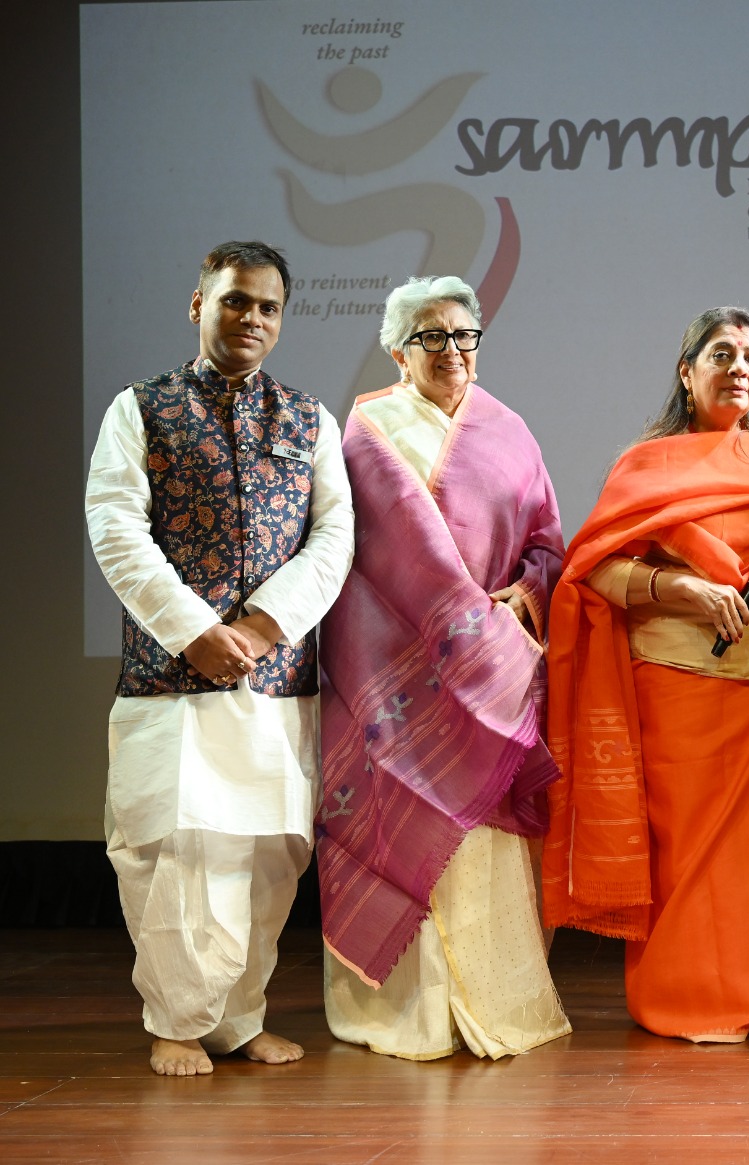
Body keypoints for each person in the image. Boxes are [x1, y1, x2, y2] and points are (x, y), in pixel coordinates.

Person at [85, 240, 355, 1076]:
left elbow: (335, 536)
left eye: (268, 306)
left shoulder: (309, 418)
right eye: (236, 299)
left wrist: (266, 627)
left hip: (276, 684)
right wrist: (195, 631)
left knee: (265, 858)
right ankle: (175, 1020)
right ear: (199, 304)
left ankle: (238, 1018)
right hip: (171, 679)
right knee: (172, 851)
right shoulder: (142, 408)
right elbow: (115, 526)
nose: (252, 318)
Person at [540, 307, 749, 1042]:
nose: (739, 367)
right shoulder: (646, 463)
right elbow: (594, 569)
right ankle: (677, 996)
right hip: (675, 679)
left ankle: (741, 992)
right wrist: (682, 590)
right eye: (721, 353)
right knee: (682, 846)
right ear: (687, 371)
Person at [317, 276, 570, 1059]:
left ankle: (495, 1000)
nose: (452, 350)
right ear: (399, 351)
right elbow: (386, 557)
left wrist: (523, 598)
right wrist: (470, 628)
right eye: (431, 337)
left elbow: (547, 544)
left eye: (464, 335)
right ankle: (410, 1014)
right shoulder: (368, 429)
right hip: (395, 675)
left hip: (494, 675)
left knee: (483, 841)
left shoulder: (510, 431)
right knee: (405, 834)